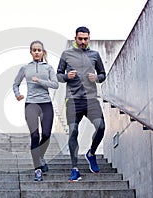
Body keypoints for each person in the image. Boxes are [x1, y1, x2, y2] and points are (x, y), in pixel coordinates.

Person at [56, 26, 106, 181]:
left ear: (89, 38)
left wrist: (96, 78)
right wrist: (67, 76)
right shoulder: (66, 54)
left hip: (91, 99)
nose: (83, 41)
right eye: (80, 39)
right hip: (72, 100)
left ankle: (91, 154)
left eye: (86, 39)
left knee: (101, 127)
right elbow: (58, 75)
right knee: (73, 132)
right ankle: (74, 168)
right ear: (75, 39)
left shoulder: (95, 55)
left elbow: (103, 74)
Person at [13, 40, 59, 181]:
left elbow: (55, 84)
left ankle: (40, 156)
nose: (37, 52)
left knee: (46, 134)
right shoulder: (25, 68)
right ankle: (37, 169)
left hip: (46, 103)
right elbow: (15, 83)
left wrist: (40, 81)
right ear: (31, 52)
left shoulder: (49, 68)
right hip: (31, 104)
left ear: (42, 52)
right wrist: (17, 94)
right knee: (34, 136)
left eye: (39, 50)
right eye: (34, 50)